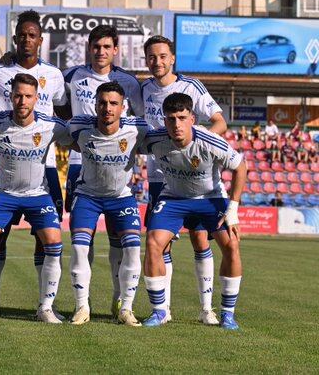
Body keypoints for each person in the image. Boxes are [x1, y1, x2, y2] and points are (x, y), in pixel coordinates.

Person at [0, 9, 68, 318]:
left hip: (46, 168)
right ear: (14, 39)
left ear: (40, 40)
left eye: (33, 35)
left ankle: (46, 306)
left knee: (47, 238)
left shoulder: (54, 75)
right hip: (5, 164)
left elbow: (64, 113)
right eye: (22, 35)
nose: (27, 40)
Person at [141, 35, 227, 325]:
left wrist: (199, 146)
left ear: (173, 58)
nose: (158, 62)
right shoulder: (143, 90)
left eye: (163, 56)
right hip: (159, 176)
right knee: (160, 244)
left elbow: (220, 121)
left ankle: (207, 310)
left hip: (194, 174)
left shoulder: (191, 86)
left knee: (199, 237)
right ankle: (163, 311)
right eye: (152, 57)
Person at [142, 93, 245, 330]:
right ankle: (159, 311)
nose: (176, 124)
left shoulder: (210, 141)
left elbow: (241, 167)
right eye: (170, 119)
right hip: (173, 198)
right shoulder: (154, 139)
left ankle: (228, 314)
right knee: (153, 243)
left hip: (211, 199)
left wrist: (233, 209)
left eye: (181, 117)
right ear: (164, 121)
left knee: (231, 245)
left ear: (192, 118)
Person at [62, 24, 144, 319]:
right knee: (83, 241)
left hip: (118, 169)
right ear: (89, 48)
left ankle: (120, 299)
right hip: (79, 165)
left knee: (119, 240)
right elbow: (59, 112)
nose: (101, 52)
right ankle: (82, 304)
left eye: (106, 47)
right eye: (96, 47)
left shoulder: (129, 82)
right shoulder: (71, 76)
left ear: (115, 50)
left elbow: (141, 122)